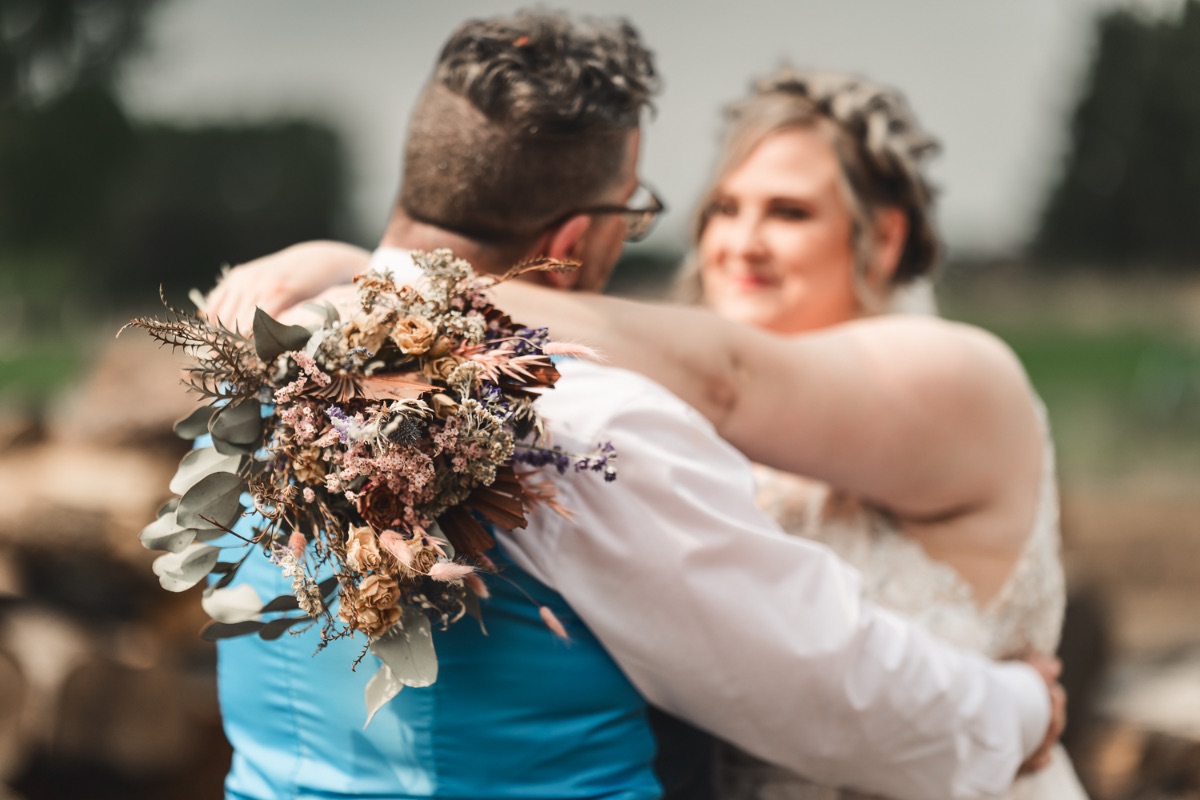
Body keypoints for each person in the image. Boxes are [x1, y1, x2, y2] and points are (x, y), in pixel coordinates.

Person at [204, 10, 1065, 800]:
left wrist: (377, 272)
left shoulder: (276, 362)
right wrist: (1018, 708)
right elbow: (816, 673)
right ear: (576, 239)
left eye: (790, 211)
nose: (739, 241)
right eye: (713, 208)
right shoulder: (590, 424)